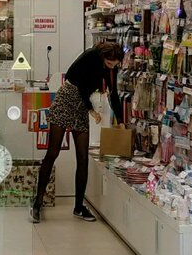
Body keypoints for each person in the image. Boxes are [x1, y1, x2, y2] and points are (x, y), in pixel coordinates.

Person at [30, 41, 123, 223]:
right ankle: (37, 202)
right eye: (109, 63)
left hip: (82, 106)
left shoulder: (111, 67)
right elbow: (79, 85)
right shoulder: (90, 57)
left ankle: (79, 206)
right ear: (103, 57)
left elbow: (113, 94)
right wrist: (91, 110)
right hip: (67, 99)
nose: (111, 67)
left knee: (82, 157)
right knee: (52, 152)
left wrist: (120, 120)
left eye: (114, 65)